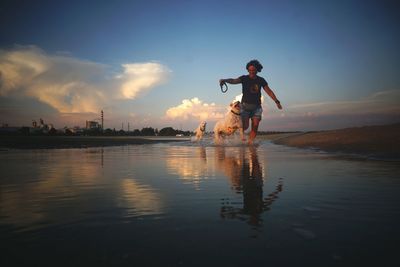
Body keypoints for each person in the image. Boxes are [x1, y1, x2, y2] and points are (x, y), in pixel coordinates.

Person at [219, 59, 282, 144]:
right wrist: (224, 80)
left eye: (254, 70)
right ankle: (224, 134)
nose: (252, 72)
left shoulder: (261, 80)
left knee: (255, 126)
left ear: (257, 70)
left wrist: (276, 101)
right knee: (244, 127)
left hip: (257, 107)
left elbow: (269, 91)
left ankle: (250, 144)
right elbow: (233, 80)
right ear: (248, 70)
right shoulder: (244, 78)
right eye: (250, 70)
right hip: (245, 107)